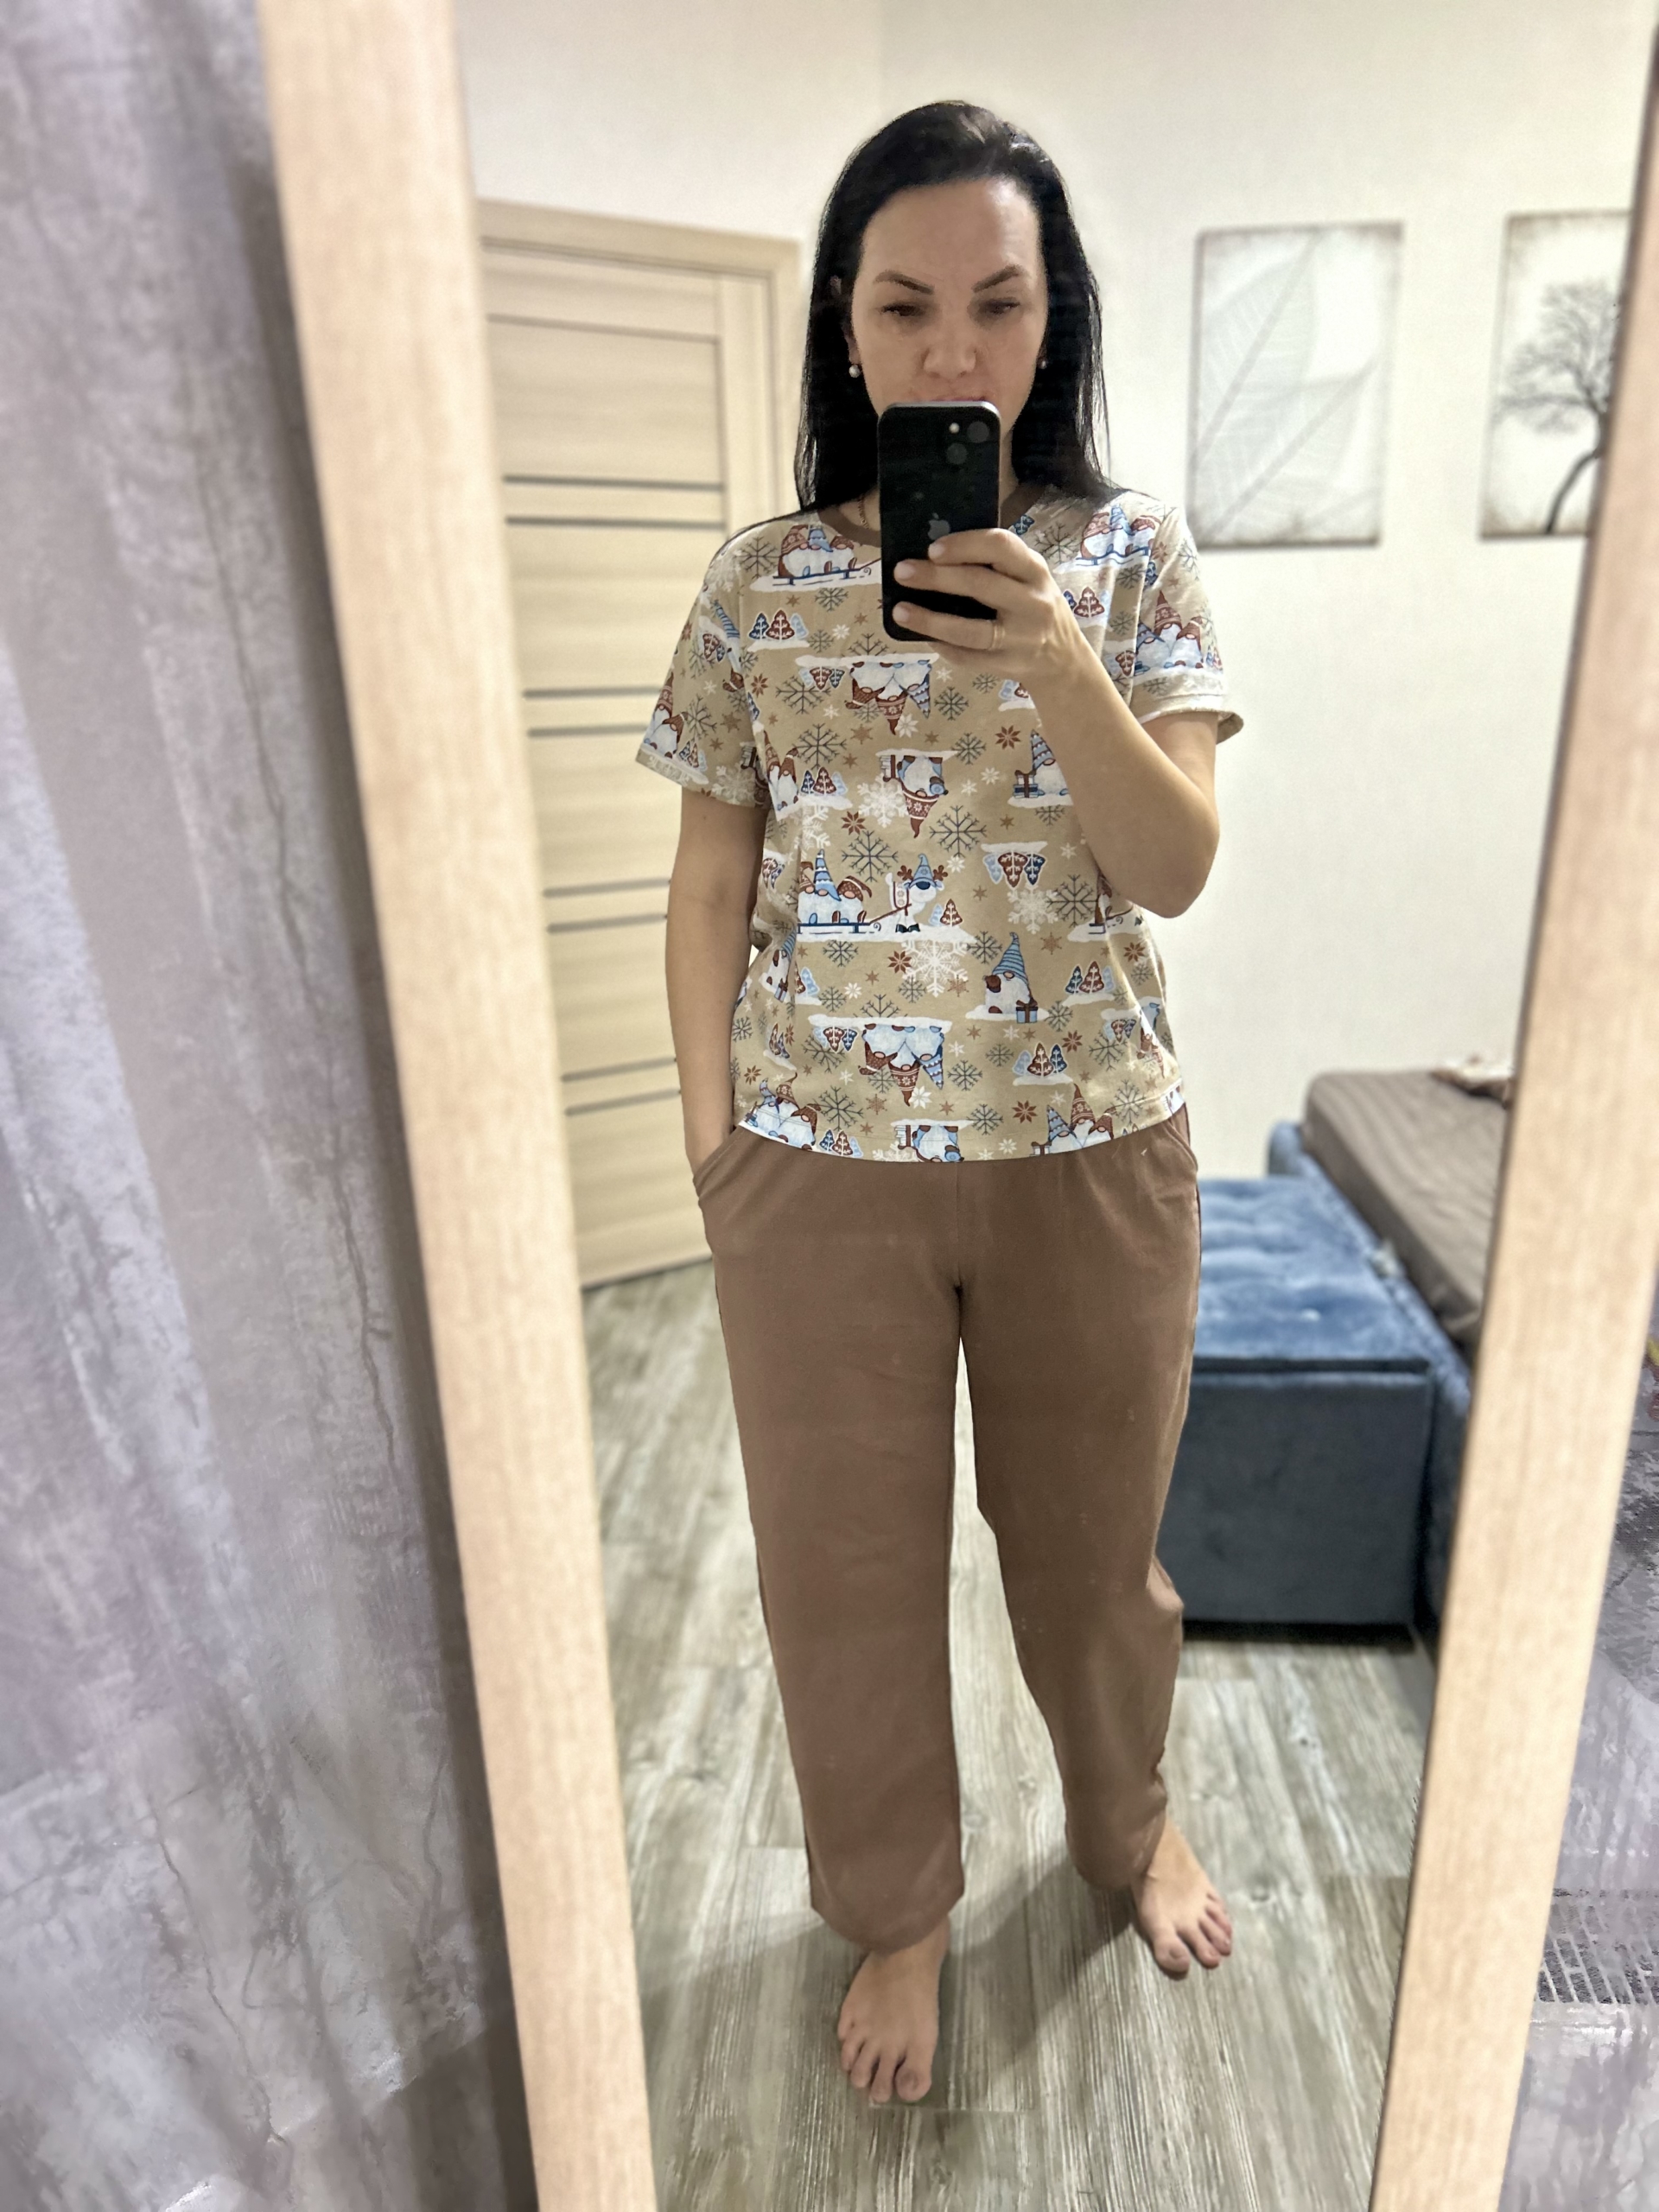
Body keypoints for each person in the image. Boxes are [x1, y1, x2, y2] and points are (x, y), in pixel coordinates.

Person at [635, 100, 1241, 2110]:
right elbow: (709, 879)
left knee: (1094, 1558)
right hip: (815, 1166)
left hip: (1091, 1146)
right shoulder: (757, 586)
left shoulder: (1132, 561)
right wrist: (716, 1144)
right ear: (846, 318)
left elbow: (1174, 864)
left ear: (1056, 316)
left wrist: (1055, 649)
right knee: (843, 1576)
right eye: (905, 305)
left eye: (999, 302)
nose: (954, 349)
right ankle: (895, 1902)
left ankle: (1125, 1818)